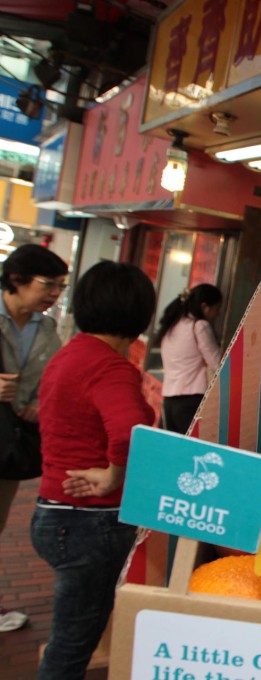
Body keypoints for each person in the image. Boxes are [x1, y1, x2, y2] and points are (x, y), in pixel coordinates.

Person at [31, 260, 156, 679]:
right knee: (74, 640)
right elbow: (126, 431)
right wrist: (113, 475)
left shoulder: (72, 355)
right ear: (139, 312)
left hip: (56, 511)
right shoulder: (109, 367)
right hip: (88, 520)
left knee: (74, 631)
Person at [0, 243, 68, 633]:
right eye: (48, 284)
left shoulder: (46, 328)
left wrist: (42, 403)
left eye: (60, 286)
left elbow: (53, 378)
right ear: (16, 280)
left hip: (10, 443)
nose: (55, 295)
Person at [153, 283, 223, 434]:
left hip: (169, 400)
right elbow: (217, 364)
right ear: (205, 307)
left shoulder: (172, 325)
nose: (217, 315)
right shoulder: (199, 326)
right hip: (191, 400)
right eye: (217, 309)